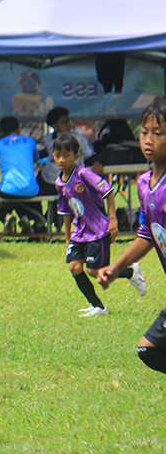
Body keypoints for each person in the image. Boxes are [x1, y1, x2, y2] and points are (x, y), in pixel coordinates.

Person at [98, 95, 166, 375]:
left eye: (158, 133)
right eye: (144, 132)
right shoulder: (144, 184)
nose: (148, 139)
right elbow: (147, 235)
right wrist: (116, 268)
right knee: (148, 349)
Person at [52, 133, 145, 317]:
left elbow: (108, 191)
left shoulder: (83, 174)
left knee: (93, 270)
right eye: (58, 155)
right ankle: (98, 307)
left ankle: (130, 271)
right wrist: (67, 239)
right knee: (74, 267)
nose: (61, 159)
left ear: (76, 156)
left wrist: (112, 220)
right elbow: (66, 212)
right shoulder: (59, 183)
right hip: (79, 233)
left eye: (66, 155)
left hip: (97, 230)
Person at [0, 115, 44, 235]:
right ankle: (28, 218)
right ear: (19, 129)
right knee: (23, 194)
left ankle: (5, 217)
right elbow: (35, 158)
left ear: (1, 132)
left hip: (8, 189)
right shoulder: (30, 141)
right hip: (31, 189)